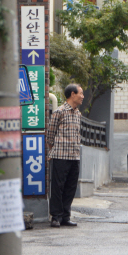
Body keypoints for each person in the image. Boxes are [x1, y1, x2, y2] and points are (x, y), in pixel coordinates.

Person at [47, 83, 84, 228]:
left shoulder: (78, 113)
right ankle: (55, 217)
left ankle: (65, 216)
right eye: (80, 93)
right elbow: (50, 135)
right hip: (61, 156)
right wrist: (54, 150)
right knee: (58, 187)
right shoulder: (59, 111)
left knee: (70, 187)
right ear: (72, 94)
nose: (82, 96)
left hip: (75, 156)